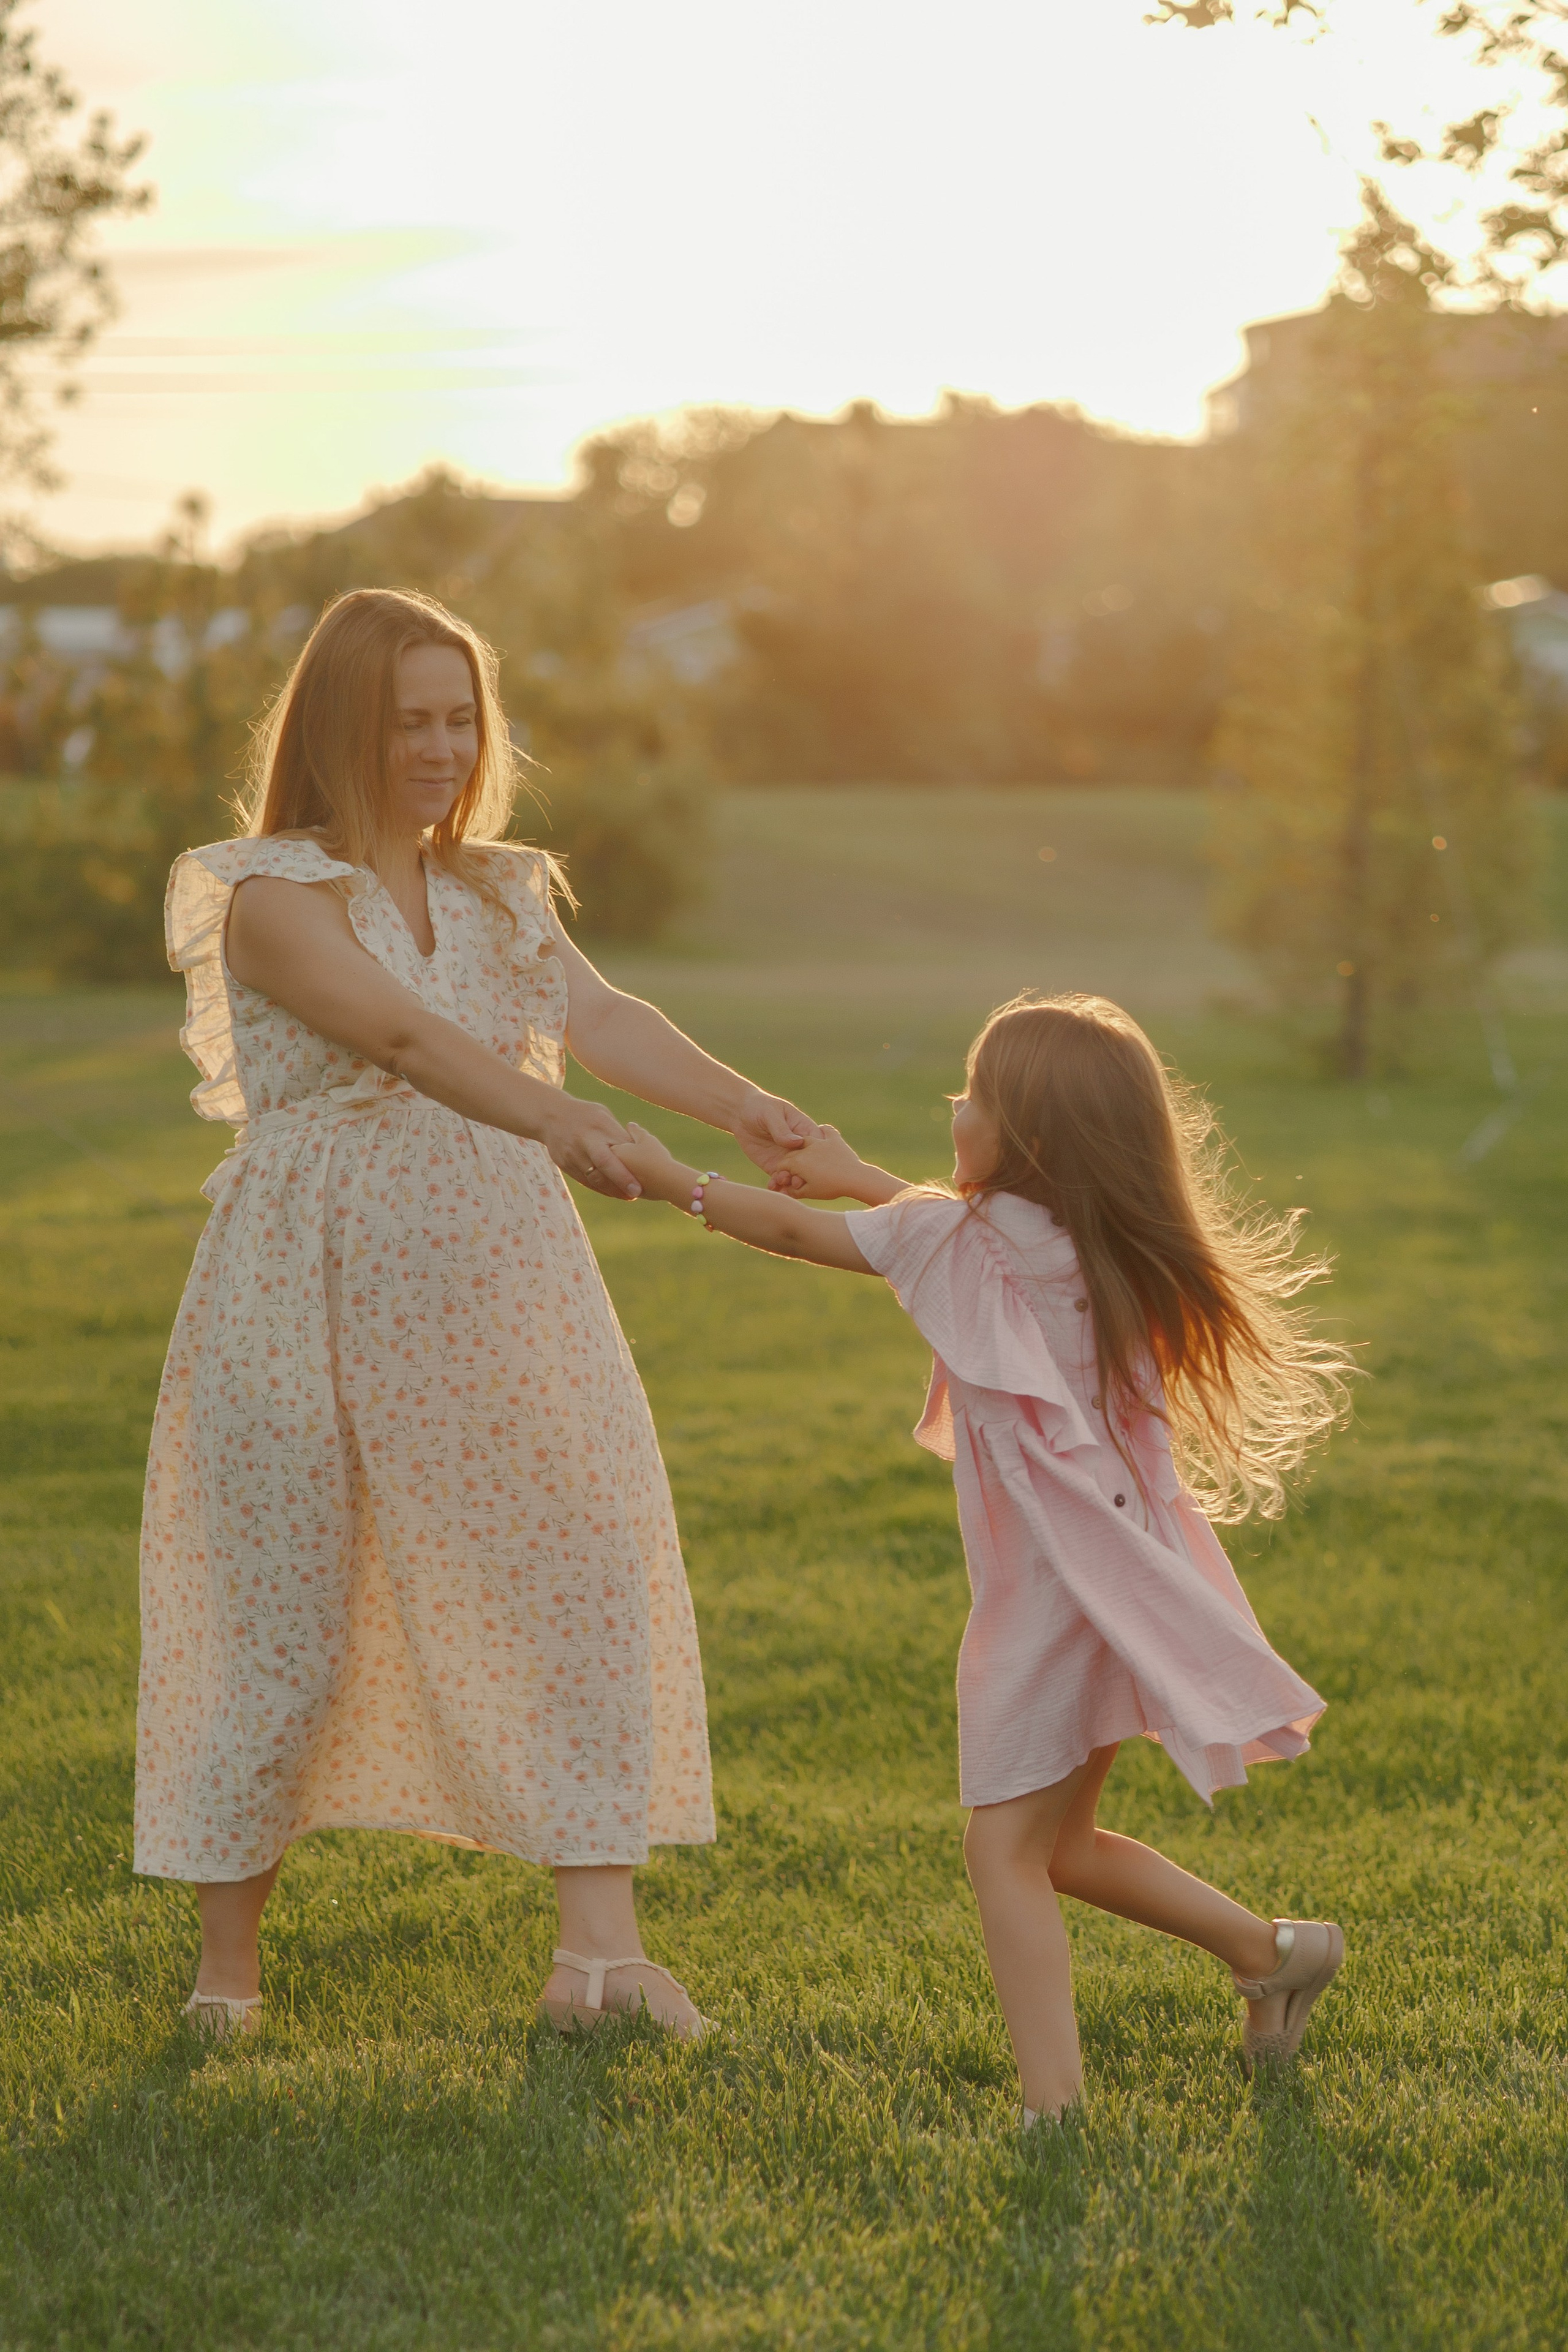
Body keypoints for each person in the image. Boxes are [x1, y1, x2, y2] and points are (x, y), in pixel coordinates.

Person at [134, 586, 818, 2041]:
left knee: (574, 1555)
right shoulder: (270, 896)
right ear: (338, 731)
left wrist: (738, 1103)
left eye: (460, 720)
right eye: (408, 724)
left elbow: (605, 1016)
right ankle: (225, 1974)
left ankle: (597, 1959)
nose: (441, 749)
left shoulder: (502, 888)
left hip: (502, 1274)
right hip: (310, 1280)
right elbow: (396, 1034)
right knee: (281, 1617)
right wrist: (550, 1119)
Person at [613, 992, 1357, 2121]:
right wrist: (864, 1175)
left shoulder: (956, 1239)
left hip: (1054, 1585)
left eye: (977, 1095)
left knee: (1001, 1850)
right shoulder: (1099, 1240)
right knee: (1061, 1846)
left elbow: (798, 1232)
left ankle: (1052, 2113)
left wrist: (672, 1177)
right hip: (1113, 1567)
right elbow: (955, 1247)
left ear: (1032, 1142)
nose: (955, 1104)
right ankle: (1277, 1953)